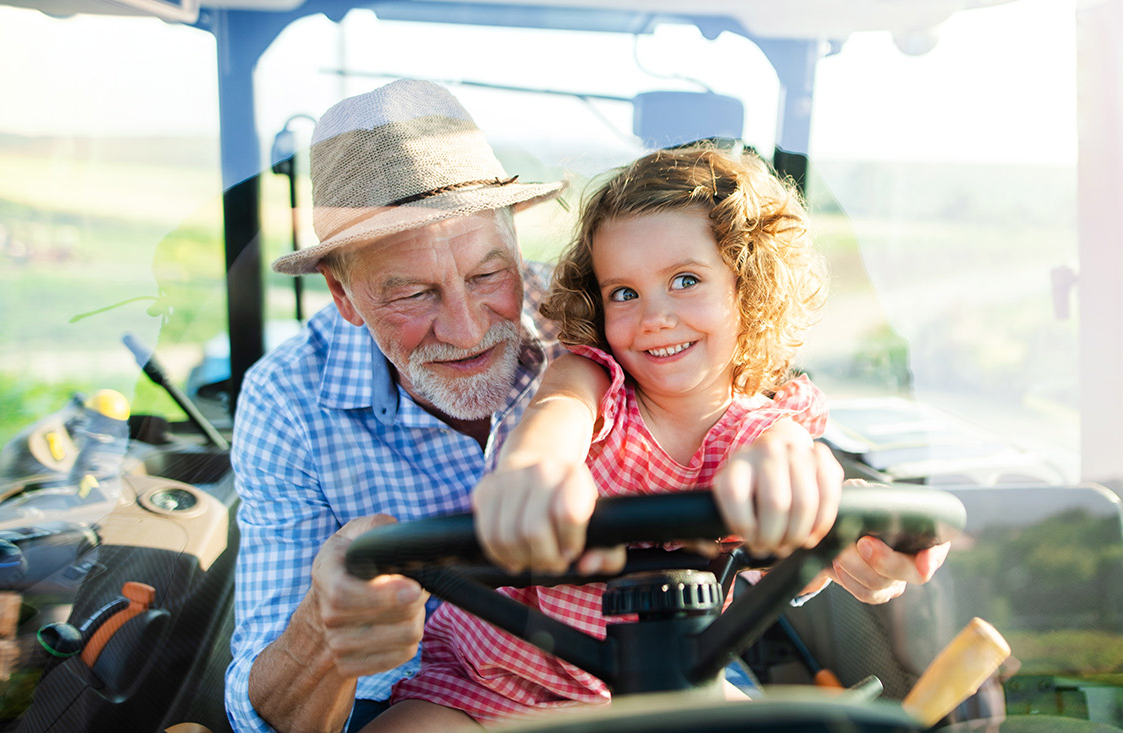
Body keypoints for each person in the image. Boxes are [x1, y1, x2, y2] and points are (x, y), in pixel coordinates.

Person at [225, 80, 947, 733]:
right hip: (460, 684)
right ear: (344, 294)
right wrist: (325, 634)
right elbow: (265, 710)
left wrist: (833, 515)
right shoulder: (288, 400)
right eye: (413, 294)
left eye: (487, 274)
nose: (468, 329)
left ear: (514, 235)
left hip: (664, 667)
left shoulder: (599, 313)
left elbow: (746, 428)